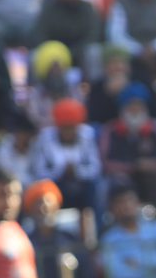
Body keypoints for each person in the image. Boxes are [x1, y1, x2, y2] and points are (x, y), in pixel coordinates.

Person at [31, 98, 104, 235]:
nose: (68, 132)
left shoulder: (87, 135)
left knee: (97, 187)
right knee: (44, 194)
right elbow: (38, 171)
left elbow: (96, 168)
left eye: (72, 127)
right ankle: (51, 235)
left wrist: (77, 171)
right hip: (56, 184)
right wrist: (60, 171)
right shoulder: (45, 138)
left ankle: (99, 232)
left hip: (82, 184)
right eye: (65, 128)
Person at [98, 82, 156, 208]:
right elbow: (104, 162)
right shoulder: (110, 129)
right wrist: (132, 166)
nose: (135, 109)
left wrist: (152, 165)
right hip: (120, 175)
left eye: (139, 105)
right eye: (131, 105)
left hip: (150, 175)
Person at [30, 0, 102, 70]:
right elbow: (39, 36)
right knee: (34, 55)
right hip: (53, 55)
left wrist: (72, 52)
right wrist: (57, 52)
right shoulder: (49, 9)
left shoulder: (86, 8)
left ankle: (95, 80)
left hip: (80, 53)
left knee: (93, 51)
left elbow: (93, 35)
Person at [0, 114, 39, 187]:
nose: (26, 141)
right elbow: (7, 175)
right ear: (17, 134)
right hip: (9, 187)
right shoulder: (3, 150)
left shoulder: (34, 147)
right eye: (24, 136)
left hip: (32, 187)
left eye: (29, 137)